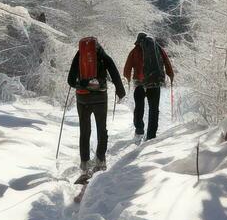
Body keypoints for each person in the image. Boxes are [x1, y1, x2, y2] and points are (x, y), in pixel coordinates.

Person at [67, 39, 125, 175]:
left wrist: (82, 84)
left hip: (82, 99)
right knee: (101, 129)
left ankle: (85, 164)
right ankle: (100, 160)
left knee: (85, 130)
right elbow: (115, 74)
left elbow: (70, 80)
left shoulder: (79, 55)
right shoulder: (103, 56)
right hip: (100, 98)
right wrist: (120, 92)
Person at [123, 33, 174, 141]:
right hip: (154, 83)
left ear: (137, 40)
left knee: (139, 107)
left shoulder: (134, 51)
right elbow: (167, 61)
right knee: (154, 109)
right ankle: (151, 136)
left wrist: (127, 78)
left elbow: (127, 68)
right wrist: (170, 75)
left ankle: (139, 129)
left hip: (139, 84)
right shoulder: (157, 48)